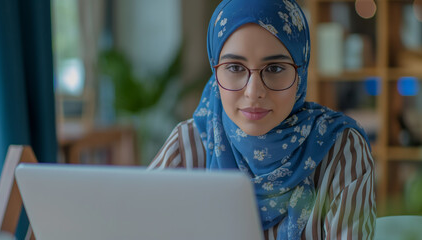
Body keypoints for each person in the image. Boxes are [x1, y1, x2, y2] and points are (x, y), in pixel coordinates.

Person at [148, 0, 376, 239]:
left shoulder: (340, 148)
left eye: (275, 68)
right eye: (235, 67)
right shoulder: (188, 144)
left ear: (301, 71)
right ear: (215, 70)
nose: (253, 91)